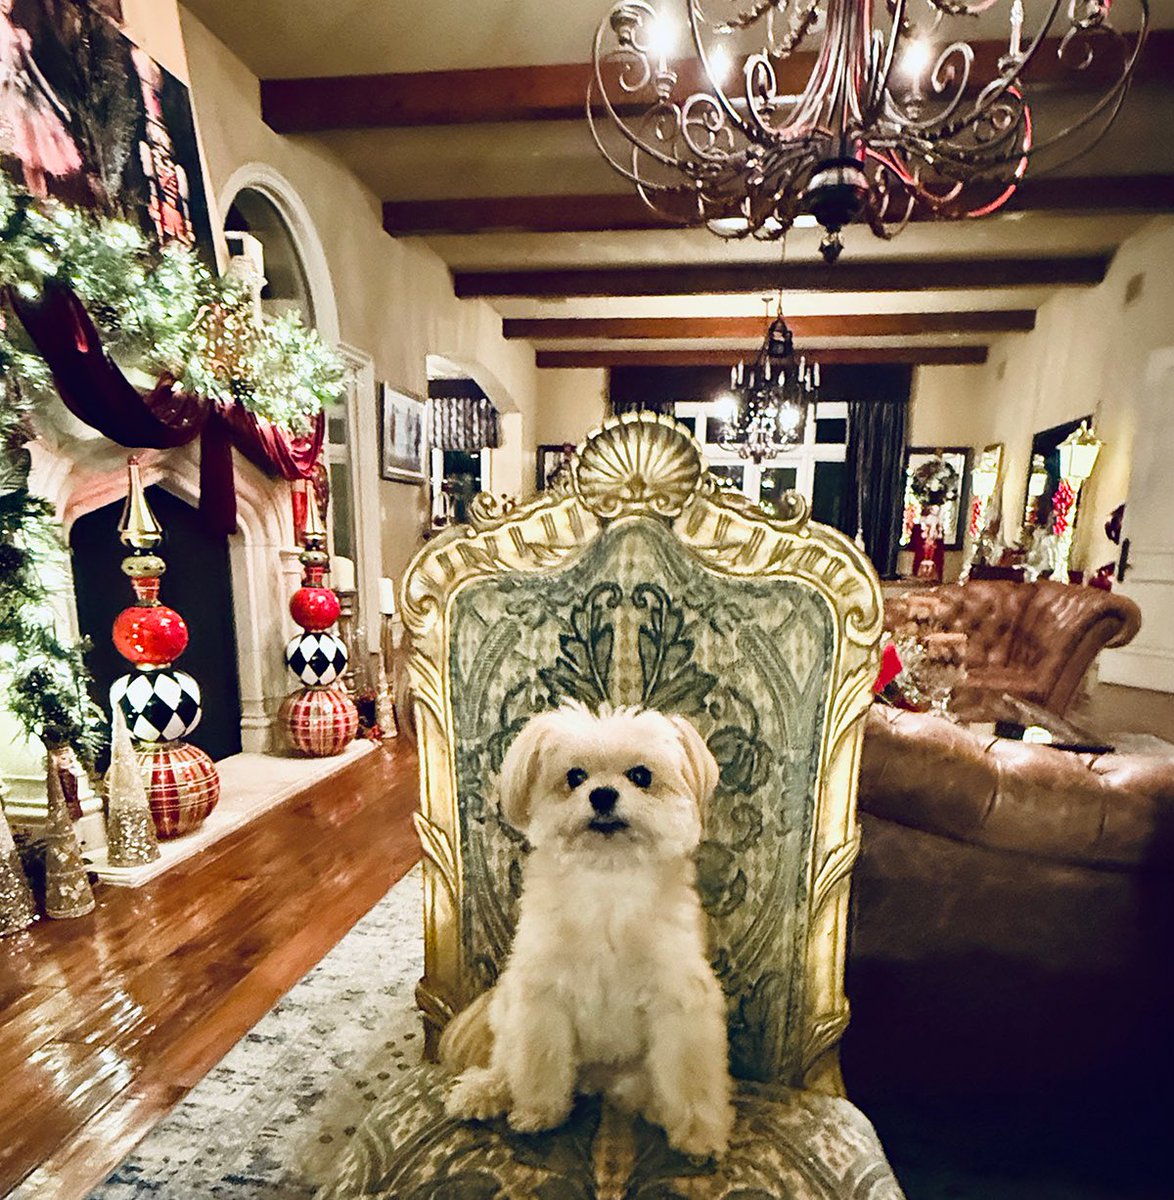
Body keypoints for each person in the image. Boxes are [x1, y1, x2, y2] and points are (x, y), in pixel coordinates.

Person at [0, 0, 82, 196]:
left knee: (35, 136)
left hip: (23, 90)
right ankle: (38, 192)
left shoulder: (12, 30)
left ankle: (39, 192)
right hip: (17, 93)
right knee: (31, 137)